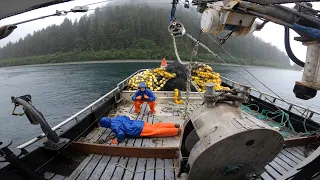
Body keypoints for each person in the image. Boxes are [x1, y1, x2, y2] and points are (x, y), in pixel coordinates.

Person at [100, 116, 182, 144]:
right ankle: (174, 125)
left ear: (106, 125)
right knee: (156, 125)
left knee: (157, 131)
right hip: (140, 123)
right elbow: (126, 117)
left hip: (139, 130)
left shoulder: (114, 126)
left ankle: (176, 131)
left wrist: (117, 140)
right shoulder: (117, 118)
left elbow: (121, 134)